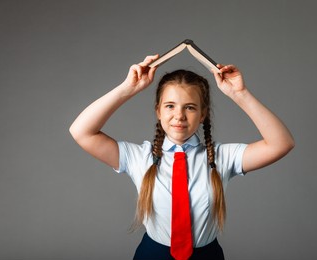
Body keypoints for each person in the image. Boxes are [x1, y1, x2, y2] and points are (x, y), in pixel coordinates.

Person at [69, 54, 295, 260]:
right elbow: (81, 132)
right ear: (158, 111)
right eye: (170, 106)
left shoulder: (221, 157)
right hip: (153, 255)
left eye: (189, 107)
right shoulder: (139, 157)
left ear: (203, 114)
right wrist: (128, 88)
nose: (179, 115)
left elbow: (281, 144)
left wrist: (240, 94)